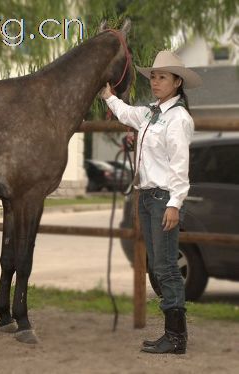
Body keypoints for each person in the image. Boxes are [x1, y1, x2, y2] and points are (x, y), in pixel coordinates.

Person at [101, 50, 202, 354]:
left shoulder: (178, 119)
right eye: (154, 77)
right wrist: (108, 95)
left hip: (161, 199)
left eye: (162, 78)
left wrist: (174, 203)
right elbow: (127, 113)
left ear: (177, 82)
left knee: (166, 266)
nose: (156, 82)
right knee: (157, 266)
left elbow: (179, 165)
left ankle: (176, 335)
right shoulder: (149, 113)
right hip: (146, 196)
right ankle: (172, 332)